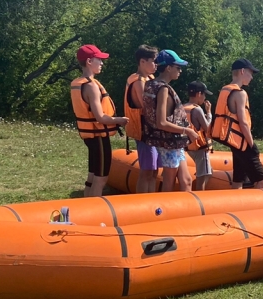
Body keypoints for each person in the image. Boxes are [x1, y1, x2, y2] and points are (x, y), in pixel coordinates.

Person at [70, 44, 127, 198]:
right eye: (99, 60)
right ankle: (94, 210)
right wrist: (120, 120)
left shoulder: (78, 83)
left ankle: (85, 204)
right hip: (99, 137)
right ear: (89, 61)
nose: (102, 63)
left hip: (90, 137)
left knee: (92, 174)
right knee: (101, 178)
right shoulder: (91, 86)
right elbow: (100, 117)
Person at [142, 50, 198, 193]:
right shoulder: (163, 89)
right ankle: (166, 212)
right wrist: (188, 130)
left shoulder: (150, 84)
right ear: (168, 68)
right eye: (178, 67)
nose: (180, 71)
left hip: (173, 142)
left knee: (186, 181)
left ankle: (189, 212)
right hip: (168, 142)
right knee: (169, 183)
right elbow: (161, 123)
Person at [212, 58, 263, 190]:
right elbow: (243, 122)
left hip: (233, 141)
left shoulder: (225, 89)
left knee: (238, 180)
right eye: (251, 73)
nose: (252, 77)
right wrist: (251, 143)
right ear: (242, 71)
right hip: (242, 142)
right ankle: (256, 209)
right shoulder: (240, 93)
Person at [123, 45, 158, 193]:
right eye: (153, 61)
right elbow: (147, 106)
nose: (156, 65)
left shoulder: (149, 78)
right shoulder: (138, 81)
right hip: (144, 131)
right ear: (142, 62)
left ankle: (152, 201)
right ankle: (143, 203)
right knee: (147, 171)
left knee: (155, 170)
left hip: (153, 130)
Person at [185, 81, 213, 191]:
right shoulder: (197, 109)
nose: (205, 97)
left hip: (188, 147)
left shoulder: (183, 107)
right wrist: (209, 113)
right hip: (200, 148)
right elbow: (207, 127)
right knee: (203, 176)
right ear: (199, 94)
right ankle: (199, 198)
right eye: (204, 94)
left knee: (208, 172)